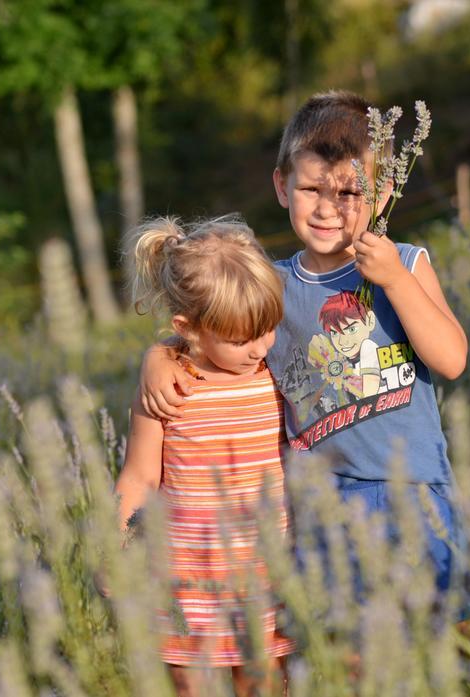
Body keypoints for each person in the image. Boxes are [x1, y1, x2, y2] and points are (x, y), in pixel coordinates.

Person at [139, 90, 470, 610]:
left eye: (348, 193)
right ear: (281, 186)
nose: (328, 208)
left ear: (382, 195)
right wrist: (159, 356)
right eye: (312, 187)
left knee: (442, 635)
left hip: (412, 489)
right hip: (320, 504)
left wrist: (395, 282)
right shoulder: (272, 284)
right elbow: (212, 334)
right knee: (352, 651)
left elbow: (451, 358)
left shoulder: (403, 263)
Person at [113, 215, 295, 697]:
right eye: (241, 339)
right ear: (187, 329)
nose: (260, 347)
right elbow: (138, 478)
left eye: (269, 329)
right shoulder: (168, 390)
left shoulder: (274, 371)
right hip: (185, 574)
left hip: (264, 570)